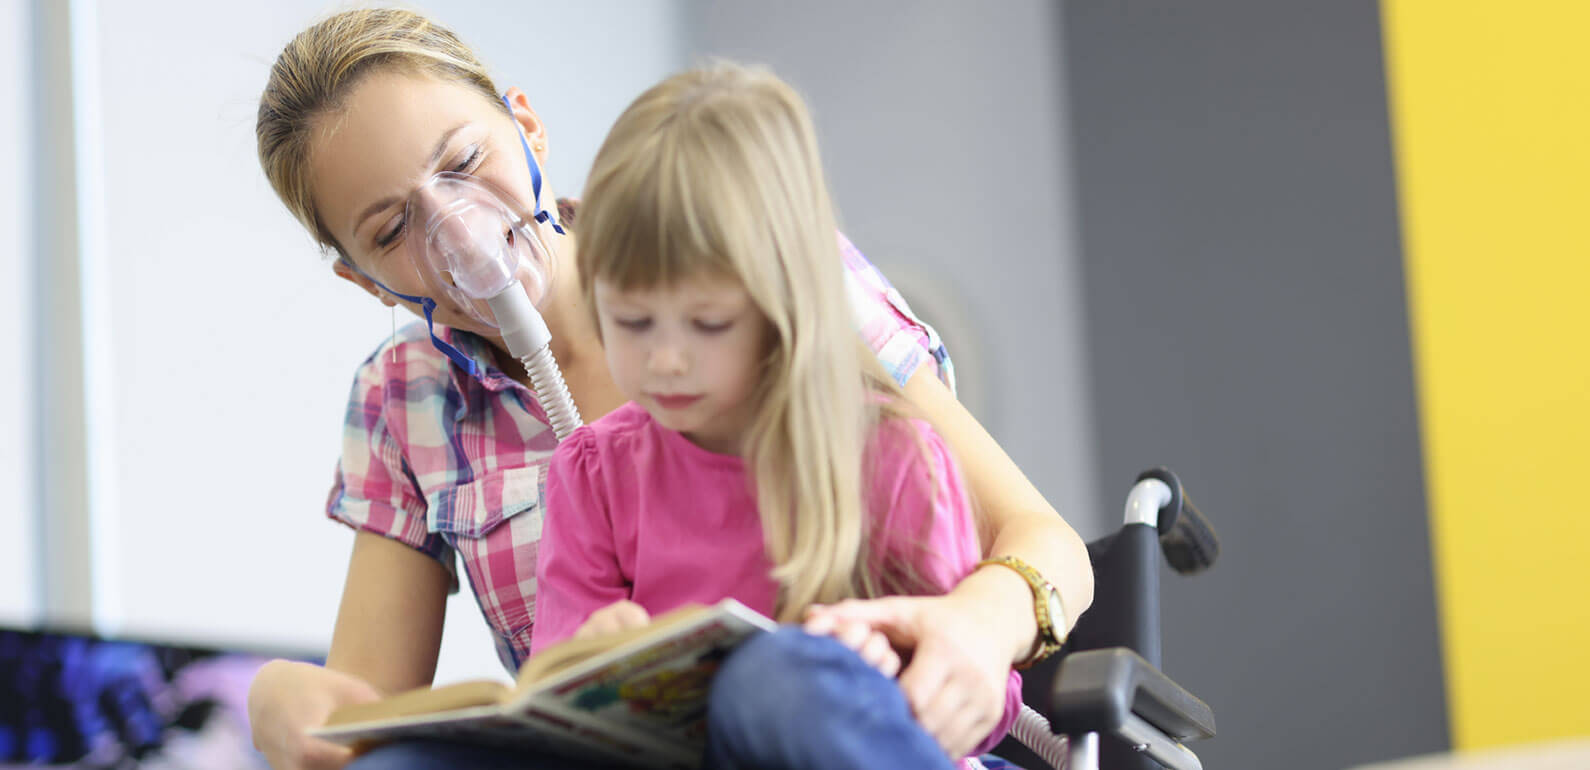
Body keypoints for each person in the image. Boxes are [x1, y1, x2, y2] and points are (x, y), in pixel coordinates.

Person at [247, 8, 1093, 770]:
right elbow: (366, 715)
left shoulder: (757, 265)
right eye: (393, 230)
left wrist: (973, 628)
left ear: (526, 126)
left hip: (822, 723)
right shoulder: (411, 401)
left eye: (466, 160)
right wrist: (286, 704)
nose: (457, 229)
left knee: (773, 689)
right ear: (366, 282)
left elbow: (1035, 536)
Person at [532, 62, 1022, 770]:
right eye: (632, 321)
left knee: (776, 682)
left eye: (707, 323)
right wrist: (585, 661)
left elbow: (980, 699)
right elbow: (548, 696)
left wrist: (888, 667)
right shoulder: (592, 473)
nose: (666, 360)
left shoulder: (889, 455)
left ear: (779, 309)